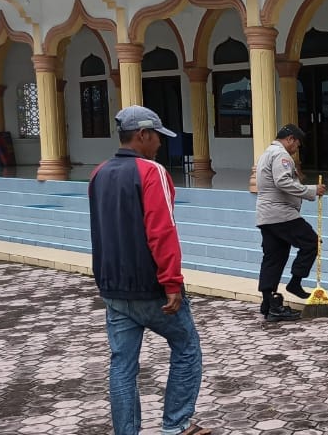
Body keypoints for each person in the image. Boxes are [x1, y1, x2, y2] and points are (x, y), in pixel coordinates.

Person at [88, 105, 210, 435]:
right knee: (187, 350)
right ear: (143, 135)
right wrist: (172, 282)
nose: (159, 144)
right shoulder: (150, 171)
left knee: (122, 366)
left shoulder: (99, 173)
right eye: (156, 137)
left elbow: (99, 231)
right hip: (152, 287)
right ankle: (176, 424)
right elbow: (162, 231)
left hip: (114, 288)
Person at [255, 123, 327, 322]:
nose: (298, 148)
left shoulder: (266, 153)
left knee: (274, 256)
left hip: (266, 215)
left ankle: (269, 303)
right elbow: (283, 182)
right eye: (297, 143)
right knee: (312, 242)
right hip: (281, 214)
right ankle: (295, 283)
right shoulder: (281, 155)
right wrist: (312, 190)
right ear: (290, 139)